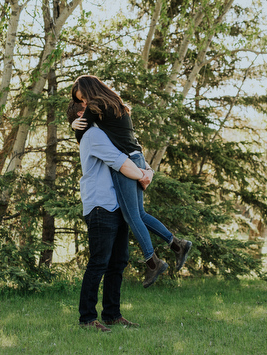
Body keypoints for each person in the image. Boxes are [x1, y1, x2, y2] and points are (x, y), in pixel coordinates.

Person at [69, 75, 192, 288]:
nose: (84, 104)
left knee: (131, 215)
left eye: (83, 99)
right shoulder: (114, 101)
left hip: (127, 159)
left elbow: (83, 136)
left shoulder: (96, 105)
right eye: (81, 101)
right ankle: (177, 245)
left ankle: (153, 262)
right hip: (138, 156)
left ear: (90, 92)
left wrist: (73, 125)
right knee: (140, 214)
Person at [68, 100, 146, 332]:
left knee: (118, 261)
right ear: (83, 114)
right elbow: (120, 161)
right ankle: (87, 318)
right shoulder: (92, 135)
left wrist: (145, 168)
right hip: (101, 205)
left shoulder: (101, 133)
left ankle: (112, 314)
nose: (101, 113)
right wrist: (143, 174)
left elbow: (128, 149)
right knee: (99, 262)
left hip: (116, 204)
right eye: (92, 110)